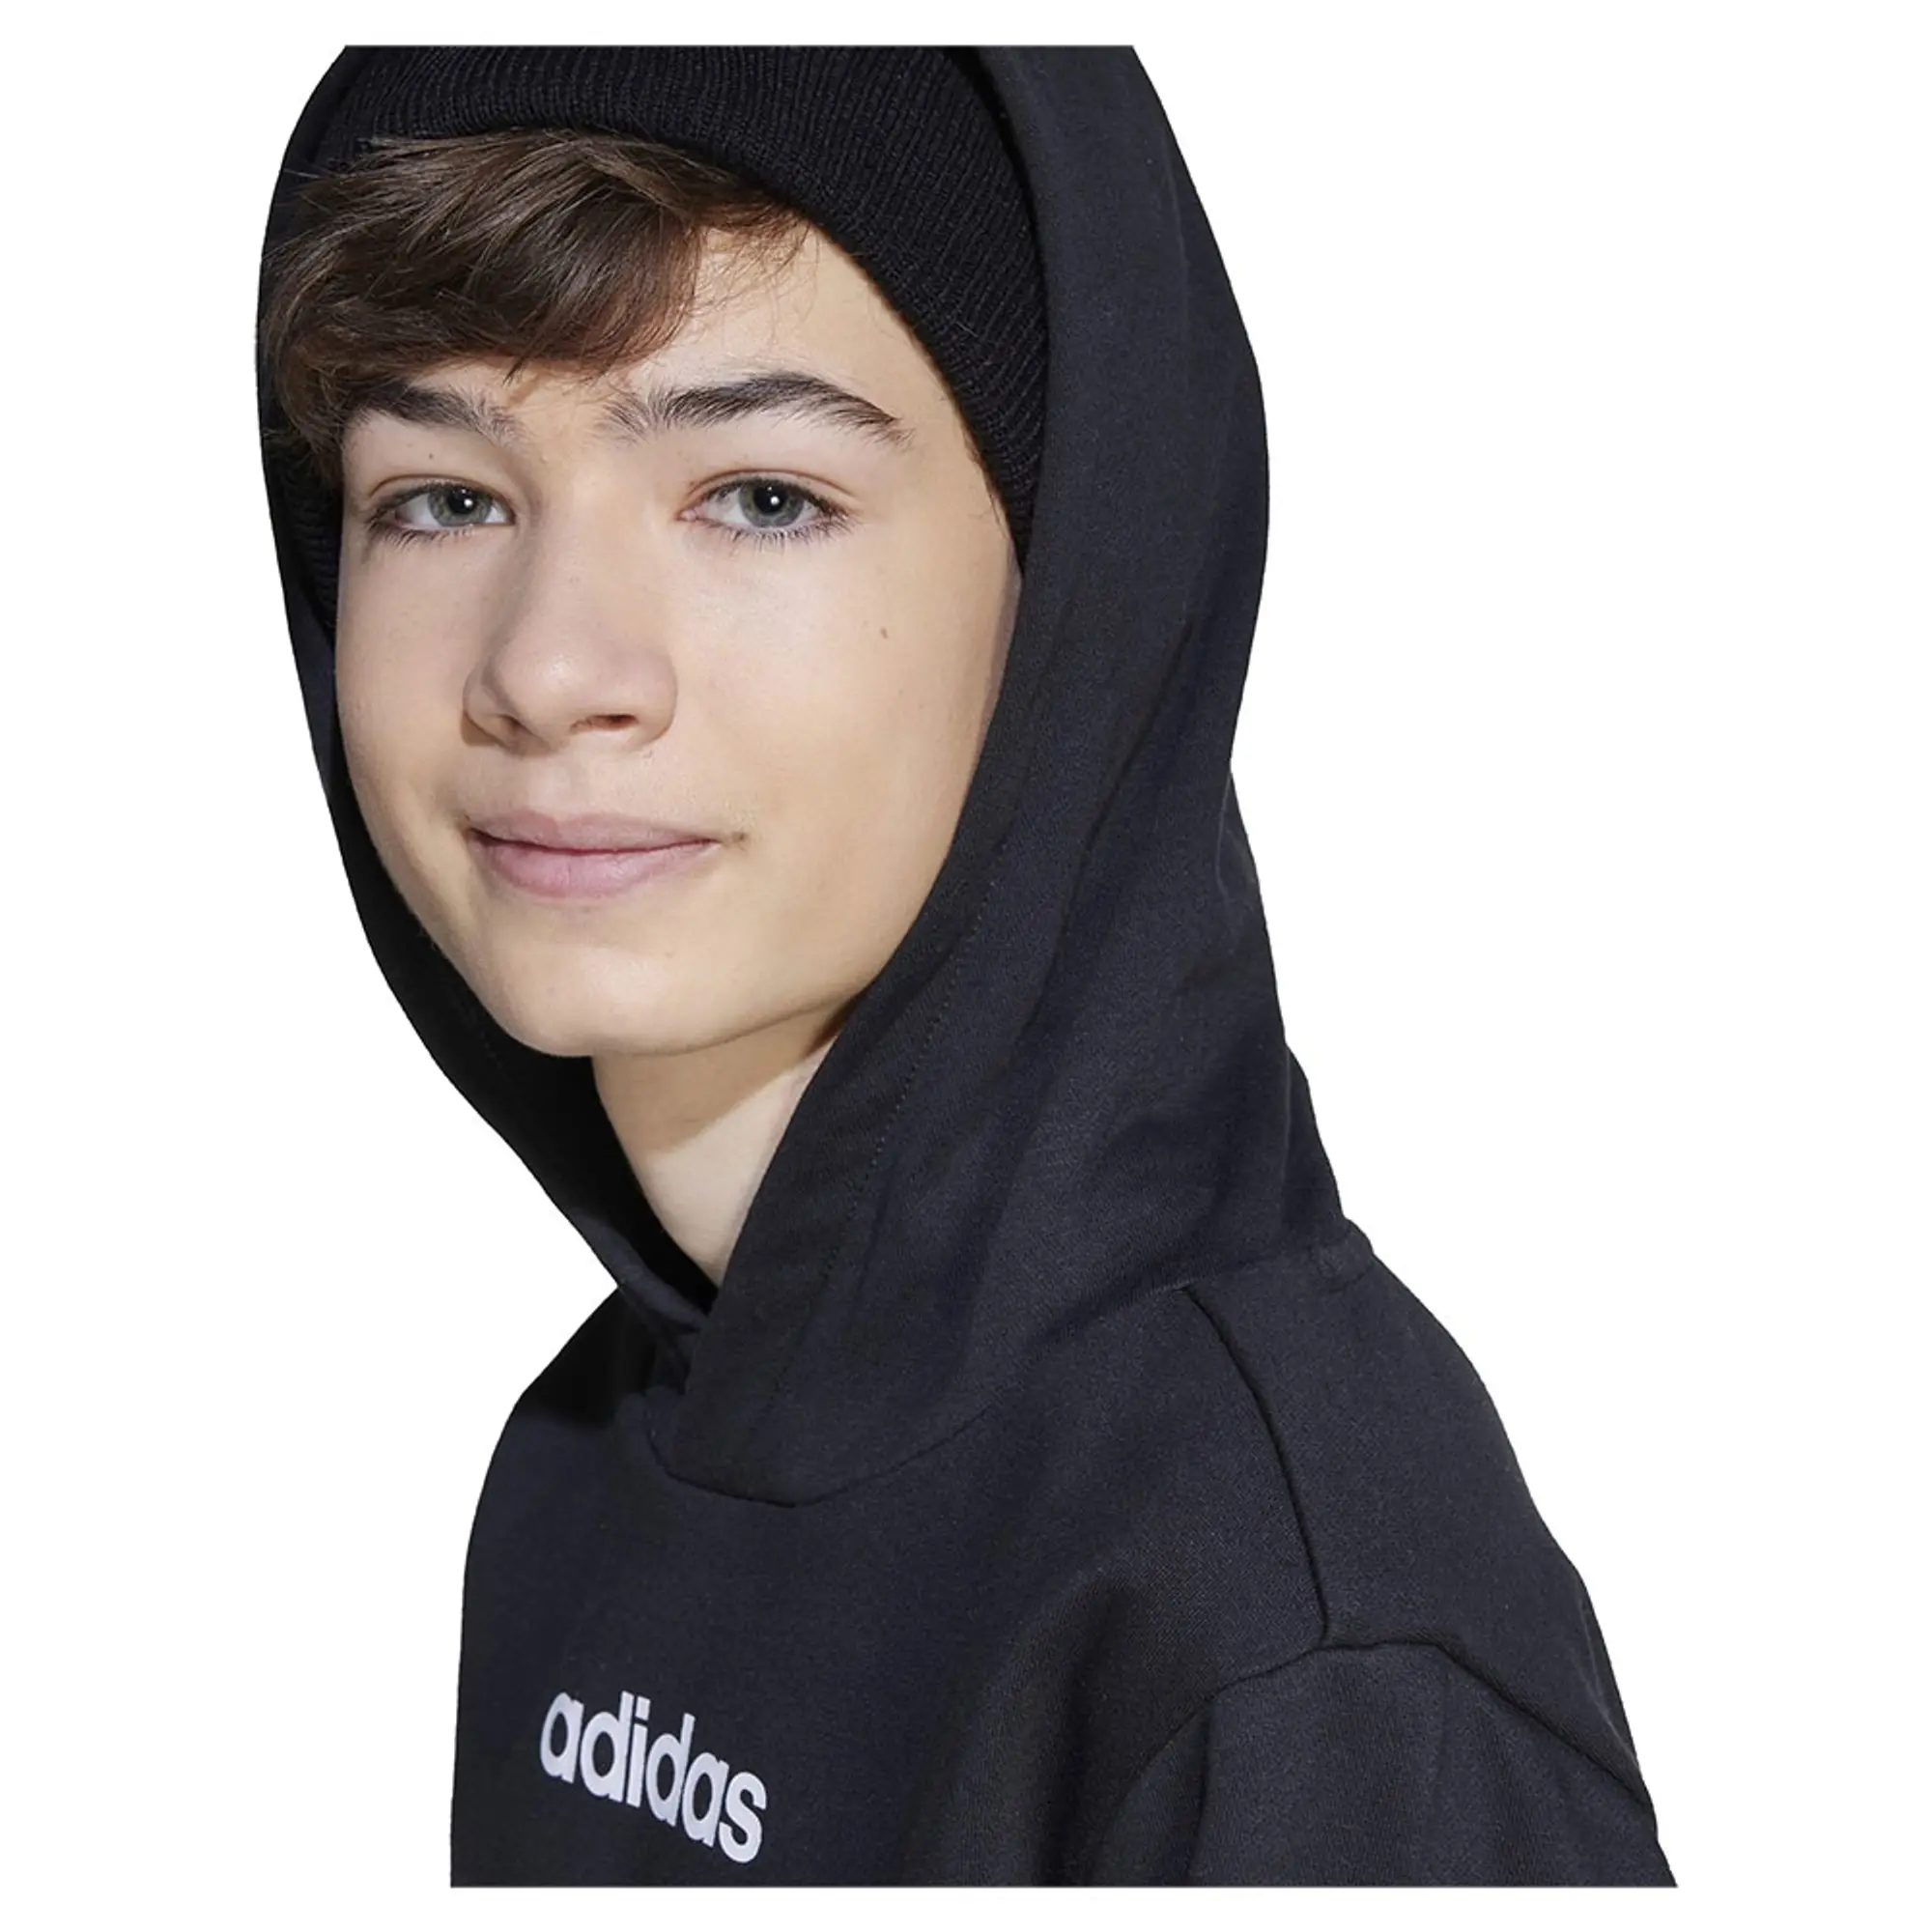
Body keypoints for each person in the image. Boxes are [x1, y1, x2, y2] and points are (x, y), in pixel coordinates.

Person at [254, 45, 1673, 1886]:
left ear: (1078, 591)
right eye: (444, 498)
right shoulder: (591, 1448)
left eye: (762, 497)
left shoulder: (1297, 1659)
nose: (547, 668)